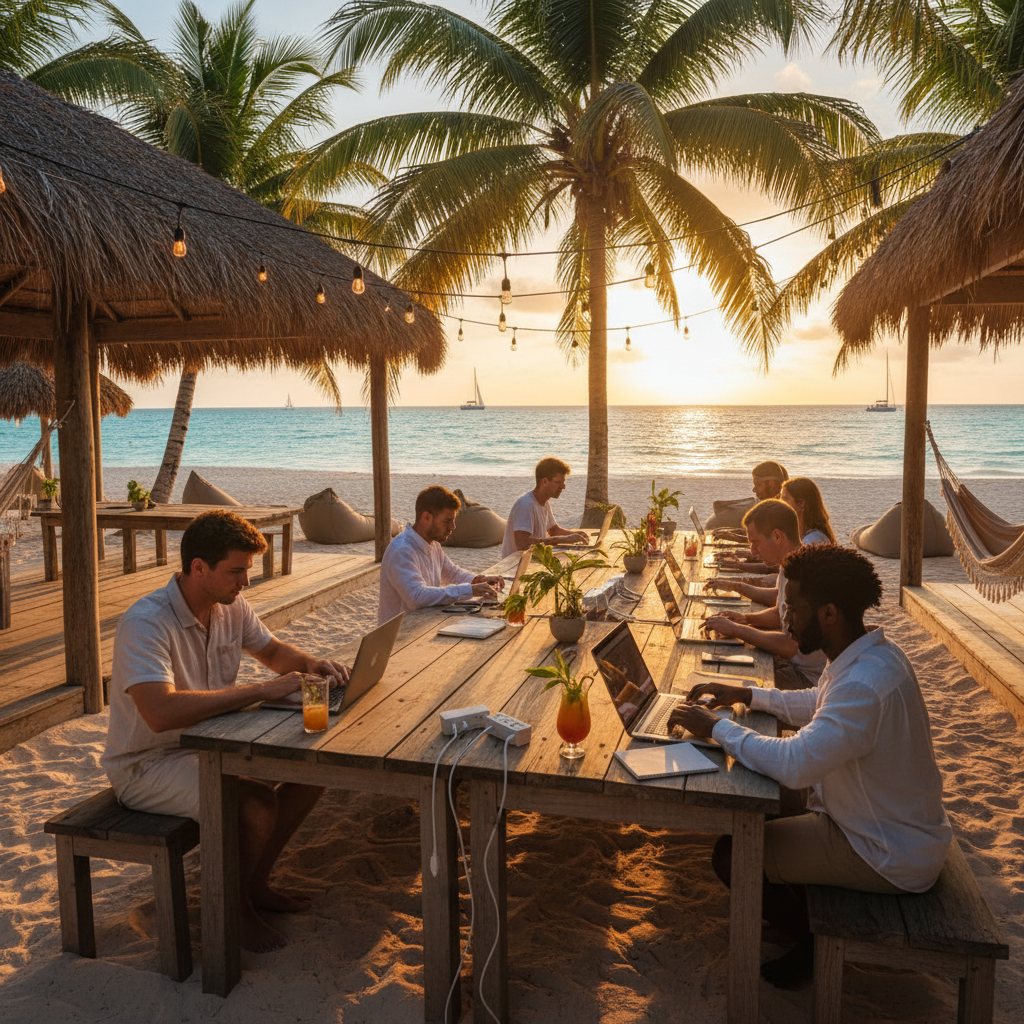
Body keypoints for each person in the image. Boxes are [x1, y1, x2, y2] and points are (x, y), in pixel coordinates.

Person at [669, 544, 951, 987]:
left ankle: (813, 939)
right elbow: (818, 703)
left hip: (883, 850)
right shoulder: (869, 654)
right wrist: (747, 694)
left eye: (794, 609)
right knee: (761, 798)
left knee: (732, 854)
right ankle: (801, 915)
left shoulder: (863, 683)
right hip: (895, 825)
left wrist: (717, 729)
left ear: (830, 613)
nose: (786, 619)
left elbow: (797, 764)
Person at [101, 510, 351, 954]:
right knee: (253, 800)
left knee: (315, 765)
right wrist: (260, 690)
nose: (246, 582)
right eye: (237, 571)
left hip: (216, 740)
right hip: (148, 763)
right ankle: (231, 911)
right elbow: (158, 712)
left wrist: (311, 664)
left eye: (247, 571)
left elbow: (272, 650)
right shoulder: (146, 623)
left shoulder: (230, 606)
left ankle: (253, 884)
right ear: (199, 568)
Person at [702, 499, 826, 688]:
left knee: (723, 675)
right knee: (723, 661)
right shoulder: (789, 565)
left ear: (777, 536)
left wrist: (737, 629)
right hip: (793, 664)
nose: (753, 551)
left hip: (808, 679)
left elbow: (791, 646)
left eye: (756, 542)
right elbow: (779, 613)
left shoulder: (805, 575)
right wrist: (744, 618)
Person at [378, 485, 505, 623]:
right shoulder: (402, 551)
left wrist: (479, 580)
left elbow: (453, 573)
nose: (453, 527)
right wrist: (470, 590)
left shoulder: (433, 544)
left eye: (453, 520)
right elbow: (417, 597)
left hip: (423, 626)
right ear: (426, 517)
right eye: (447, 521)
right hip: (400, 636)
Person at [500, 456, 588, 557]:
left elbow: (554, 530)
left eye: (563, 482)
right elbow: (523, 544)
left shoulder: (544, 502)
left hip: (533, 559)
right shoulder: (526, 504)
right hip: (515, 565)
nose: (563, 486)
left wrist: (576, 535)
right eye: (558, 482)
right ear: (545, 481)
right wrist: (564, 539)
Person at [781, 477, 836, 544]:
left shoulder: (813, 540)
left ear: (801, 504)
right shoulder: (807, 536)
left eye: (785, 498)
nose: (780, 503)